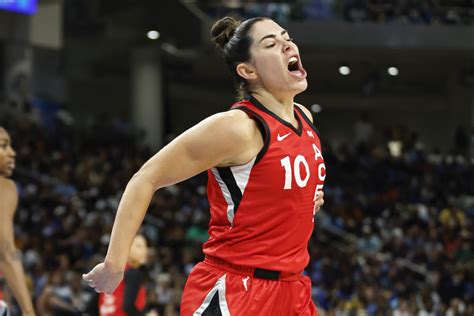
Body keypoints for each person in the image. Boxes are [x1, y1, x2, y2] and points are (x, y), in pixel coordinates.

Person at [83, 16, 326, 315]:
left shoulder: (305, 119)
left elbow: (276, 187)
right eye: (271, 43)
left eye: (286, 36)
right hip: (236, 290)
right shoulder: (238, 127)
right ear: (247, 70)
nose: (287, 44)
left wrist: (303, 201)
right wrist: (115, 263)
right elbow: (145, 178)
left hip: (292, 290)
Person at [0, 127, 36, 316]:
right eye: (3, 146)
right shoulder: (4, 188)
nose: (12, 153)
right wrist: (28, 309)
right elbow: (5, 251)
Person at [98, 234, 148, 316]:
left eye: (145, 247)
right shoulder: (132, 273)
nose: (144, 251)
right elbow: (128, 306)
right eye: (138, 246)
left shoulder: (110, 270)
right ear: (127, 249)